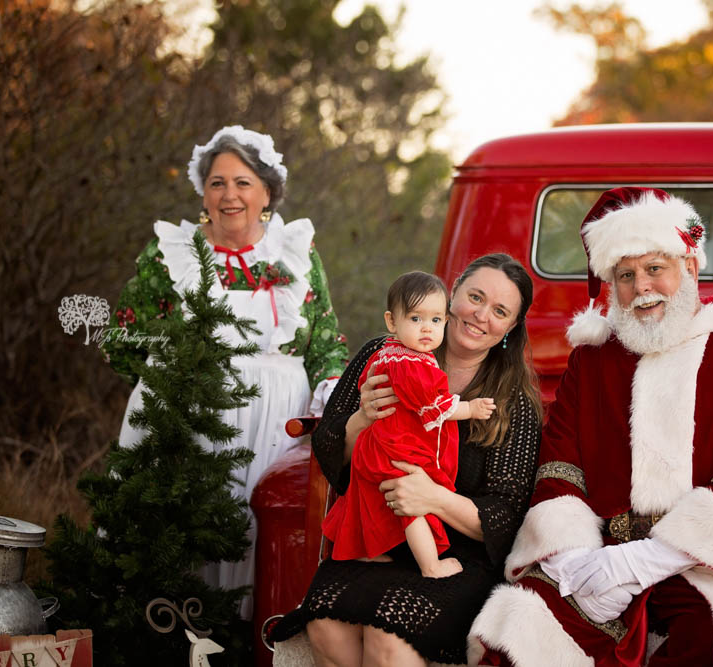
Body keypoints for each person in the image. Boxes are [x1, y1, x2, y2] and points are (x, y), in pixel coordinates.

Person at [469, 187, 713, 666]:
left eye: (655, 269)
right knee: (519, 635)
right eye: (625, 275)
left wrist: (645, 560)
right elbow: (560, 464)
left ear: (689, 268)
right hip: (602, 554)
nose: (641, 288)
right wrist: (574, 559)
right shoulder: (592, 360)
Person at [102, 125, 349, 617]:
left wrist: (329, 399)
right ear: (203, 192)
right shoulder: (169, 254)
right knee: (179, 543)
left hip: (275, 424)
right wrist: (167, 388)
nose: (229, 194)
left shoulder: (296, 255)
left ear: (267, 193)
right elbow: (124, 338)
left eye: (242, 182)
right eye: (217, 182)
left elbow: (325, 342)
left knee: (259, 541)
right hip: (189, 418)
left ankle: (249, 645)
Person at [270, 253, 543, 667]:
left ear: (510, 328)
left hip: (454, 554)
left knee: (388, 640)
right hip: (373, 536)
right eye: (475, 297)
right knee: (324, 625)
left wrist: (432, 498)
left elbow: (506, 517)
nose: (481, 315)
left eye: (500, 311)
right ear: (452, 298)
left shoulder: (512, 403)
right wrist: (361, 420)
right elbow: (328, 445)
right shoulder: (383, 354)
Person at [321, 271, 497, 578]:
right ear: (392, 322)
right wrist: (469, 408)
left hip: (378, 446)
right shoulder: (411, 364)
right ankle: (430, 565)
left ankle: (366, 552)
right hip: (397, 448)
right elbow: (432, 406)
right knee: (413, 510)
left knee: (371, 503)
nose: (426, 329)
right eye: (416, 319)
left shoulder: (389, 354)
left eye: (435, 320)